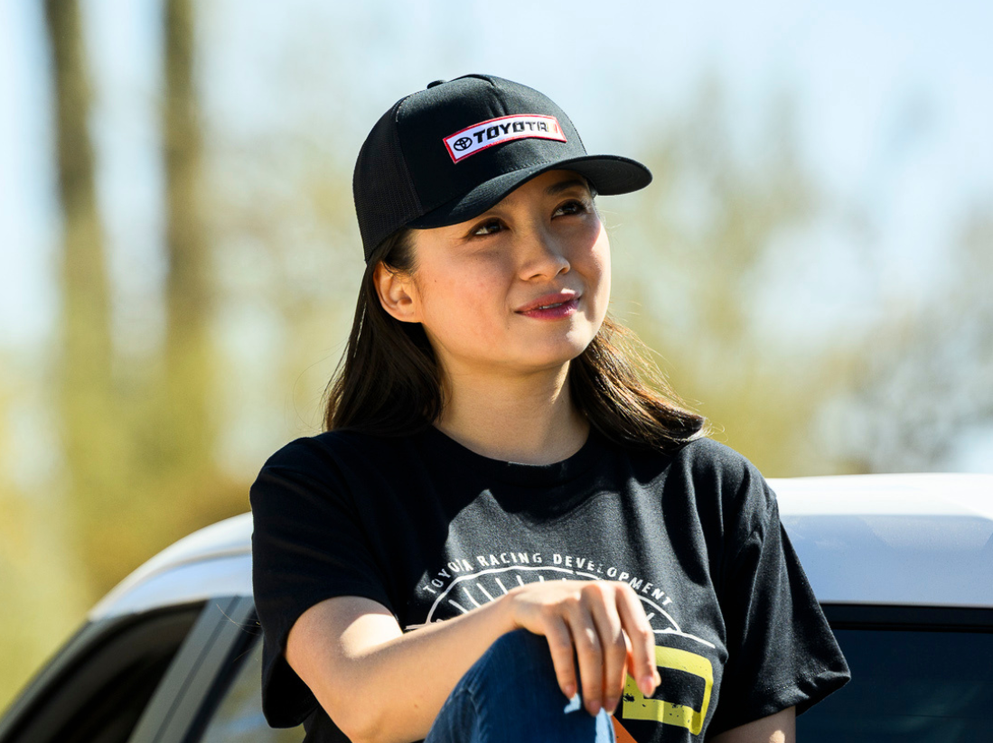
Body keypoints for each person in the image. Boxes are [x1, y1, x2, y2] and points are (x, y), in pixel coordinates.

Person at [248, 75, 851, 743]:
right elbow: (363, 696)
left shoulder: (714, 496)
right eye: (488, 227)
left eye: (569, 209)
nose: (546, 258)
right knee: (531, 663)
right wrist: (518, 617)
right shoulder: (326, 489)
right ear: (399, 292)